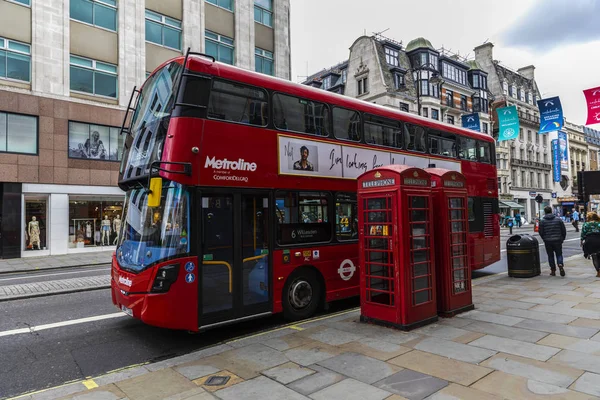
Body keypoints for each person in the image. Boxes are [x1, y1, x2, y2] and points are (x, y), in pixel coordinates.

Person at [539, 206, 567, 277]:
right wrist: (562, 238)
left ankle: (553, 270)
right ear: (551, 211)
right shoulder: (558, 220)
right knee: (559, 254)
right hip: (557, 240)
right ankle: (560, 264)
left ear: (545, 212)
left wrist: (544, 238)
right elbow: (563, 230)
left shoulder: (542, 221)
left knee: (550, 256)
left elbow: (541, 232)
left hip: (548, 241)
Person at [581, 212, 600, 277]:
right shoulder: (599, 224)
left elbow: (583, 234)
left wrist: (581, 242)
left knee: (594, 257)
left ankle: (598, 272)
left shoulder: (586, 224)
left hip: (590, 241)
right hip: (599, 239)